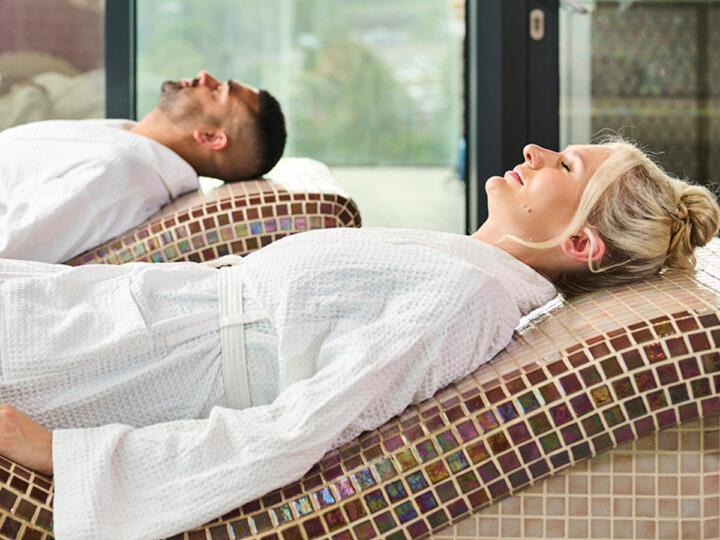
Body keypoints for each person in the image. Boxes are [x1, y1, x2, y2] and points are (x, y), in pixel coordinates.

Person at [0, 140, 717, 538]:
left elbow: (299, 430)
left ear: (581, 242)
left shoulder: (467, 298)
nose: (535, 150)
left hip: (110, 366)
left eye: (565, 166)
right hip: (100, 319)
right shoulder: (464, 267)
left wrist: (63, 452)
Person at [0, 70, 287, 263]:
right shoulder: (126, 141)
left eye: (217, 90)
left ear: (210, 137)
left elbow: (10, 245)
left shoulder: (119, 176)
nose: (204, 76)